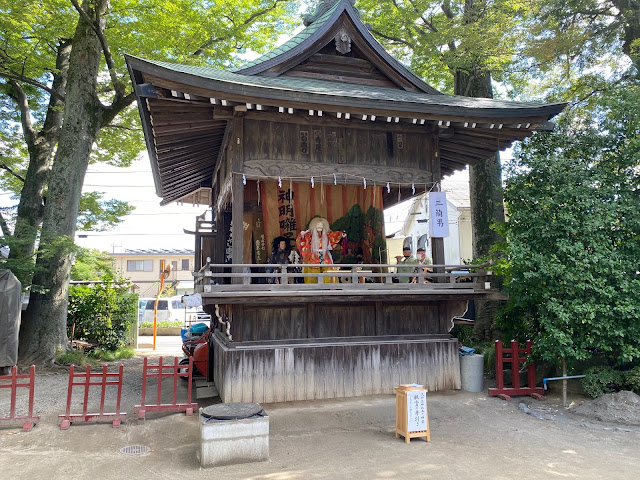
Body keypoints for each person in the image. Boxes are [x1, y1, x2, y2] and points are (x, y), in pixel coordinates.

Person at [296, 216, 345, 283]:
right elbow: (302, 240)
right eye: (318, 225)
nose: (320, 226)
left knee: (328, 271)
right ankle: (311, 287)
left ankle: (331, 286)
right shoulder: (309, 235)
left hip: (324, 254)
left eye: (321, 225)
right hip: (313, 255)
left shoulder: (327, 234)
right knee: (311, 272)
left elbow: (334, 235)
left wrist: (341, 234)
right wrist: (301, 235)